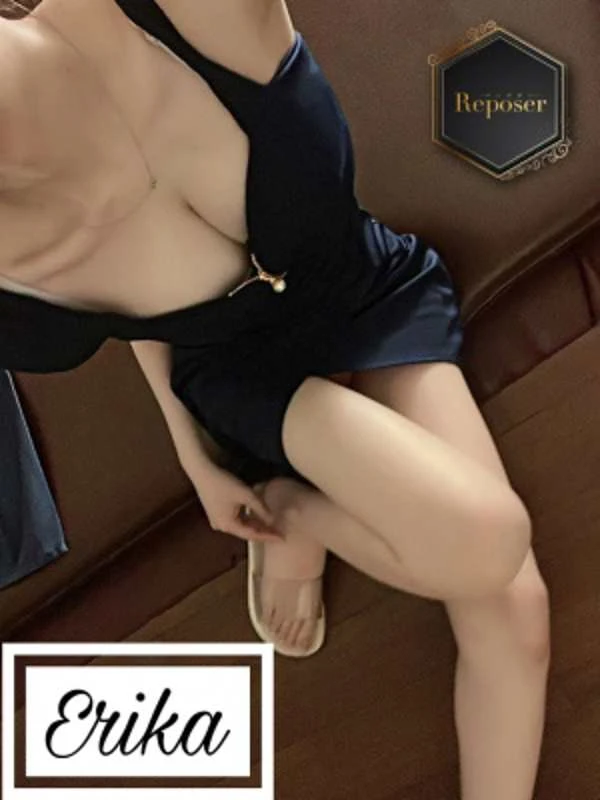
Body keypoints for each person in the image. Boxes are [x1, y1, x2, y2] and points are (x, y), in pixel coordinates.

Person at [0, 1, 550, 796]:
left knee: (514, 608)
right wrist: (196, 455)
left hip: (368, 292)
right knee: (489, 554)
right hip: (246, 387)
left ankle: (295, 511)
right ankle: (288, 507)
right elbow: (132, 317)